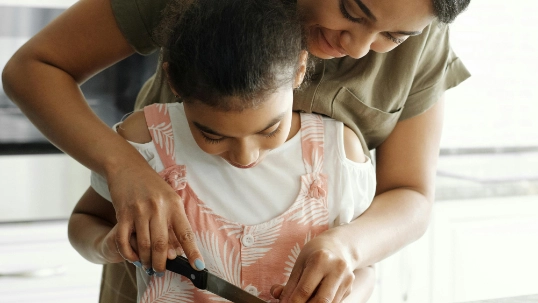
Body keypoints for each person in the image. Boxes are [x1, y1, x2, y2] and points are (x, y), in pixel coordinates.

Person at [1, 0, 471, 301]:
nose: (361, 48)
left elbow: (410, 194)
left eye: (395, 37)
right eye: (352, 9)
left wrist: (348, 248)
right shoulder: (147, 137)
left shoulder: (420, 28)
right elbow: (34, 68)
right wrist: (123, 166)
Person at [68, 0, 377, 301]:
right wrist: (109, 246)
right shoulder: (147, 141)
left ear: (300, 68)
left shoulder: (337, 154)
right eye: (212, 135)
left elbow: (364, 269)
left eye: (269, 129)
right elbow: (84, 220)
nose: (245, 156)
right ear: (173, 79)